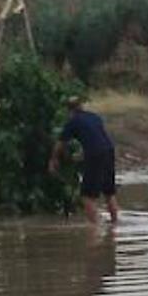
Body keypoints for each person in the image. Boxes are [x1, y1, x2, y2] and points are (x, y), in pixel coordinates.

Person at [49, 96, 119, 225]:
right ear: (81, 106)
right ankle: (115, 224)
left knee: (87, 196)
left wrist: (53, 161)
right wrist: (83, 154)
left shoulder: (73, 121)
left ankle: (94, 228)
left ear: (68, 110)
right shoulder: (94, 116)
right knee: (109, 191)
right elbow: (96, 136)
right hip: (109, 151)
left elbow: (60, 144)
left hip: (95, 154)